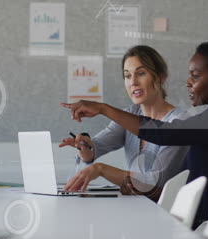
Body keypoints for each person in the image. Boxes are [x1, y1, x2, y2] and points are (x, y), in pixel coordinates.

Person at [61, 41, 208, 229]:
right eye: (127, 76)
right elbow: (178, 181)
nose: (188, 82)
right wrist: (139, 186)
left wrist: (103, 109)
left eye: (195, 76)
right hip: (198, 222)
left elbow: (164, 134)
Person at [59, 45, 189, 201]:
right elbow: (96, 148)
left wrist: (101, 169)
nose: (133, 82)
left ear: (160, 77)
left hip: (164, 215)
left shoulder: (179, 121)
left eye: (141, 73)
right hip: (137, 208)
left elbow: (153, 183)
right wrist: (84, 147)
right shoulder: (130, 114)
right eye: (127, 76)